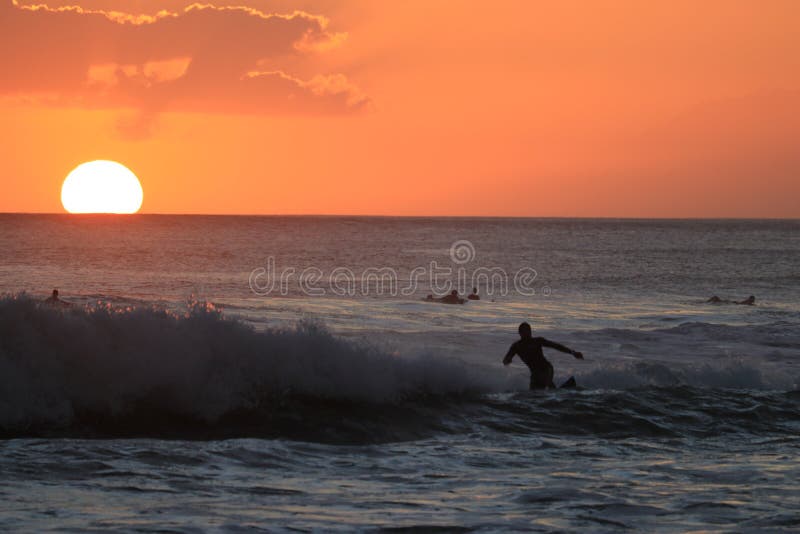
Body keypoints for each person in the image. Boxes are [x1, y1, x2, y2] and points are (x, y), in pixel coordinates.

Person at [503, 322, 583, 390]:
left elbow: (556, 346)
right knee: (534, 394)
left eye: (528, 331)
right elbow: (505, 360)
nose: (527, 333)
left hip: (546, 368)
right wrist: (507, 360)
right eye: (524, 331)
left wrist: (572, 352)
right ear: (520, 333)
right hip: (534, 374)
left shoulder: (537, 341)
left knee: (546, 381)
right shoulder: (516, 346)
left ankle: (555, 392)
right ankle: (560, 391)